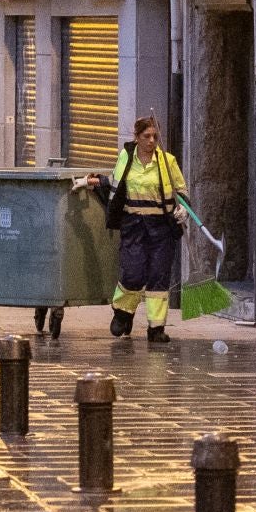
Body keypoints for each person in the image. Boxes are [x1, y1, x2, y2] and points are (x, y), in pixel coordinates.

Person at [86, 116, 188, 343]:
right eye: (146, 136)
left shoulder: (167, 161)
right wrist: (93, 182)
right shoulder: (126, 157)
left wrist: (183, 209)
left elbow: (181, 190)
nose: (151, 141)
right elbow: (116, 182)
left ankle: (156, 328)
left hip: (161, 226)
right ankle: (123, 312)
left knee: (158, 276)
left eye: (155, 137)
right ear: (137, 137)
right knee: (133, 272)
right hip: (133, 224)